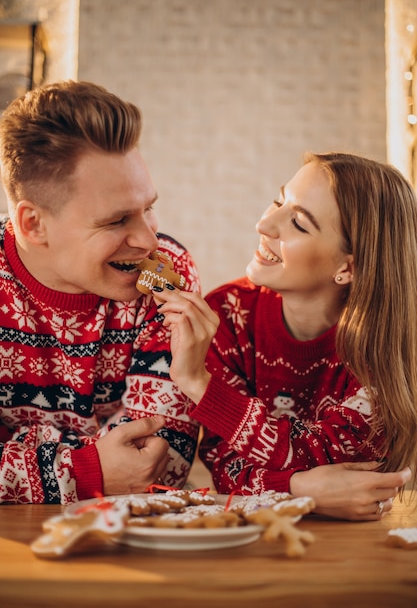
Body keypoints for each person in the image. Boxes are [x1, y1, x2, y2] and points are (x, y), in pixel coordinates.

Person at [154, 151, 417, 520]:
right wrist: (301, 488)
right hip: (256, 535)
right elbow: (227, 471)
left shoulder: (382, 349)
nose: (265, 224)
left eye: (298, 223)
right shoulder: (228, 314)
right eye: (279, 200)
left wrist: (199, 383)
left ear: (348, 267)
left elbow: (346, 474)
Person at [0, 80, 202, 504]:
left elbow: (158, 463)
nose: (148, 240)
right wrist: (88, 469)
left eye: (148, 208)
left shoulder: (167, 272)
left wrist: (26, 451)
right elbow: (117, 472)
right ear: (33, 224)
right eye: (116, 221)